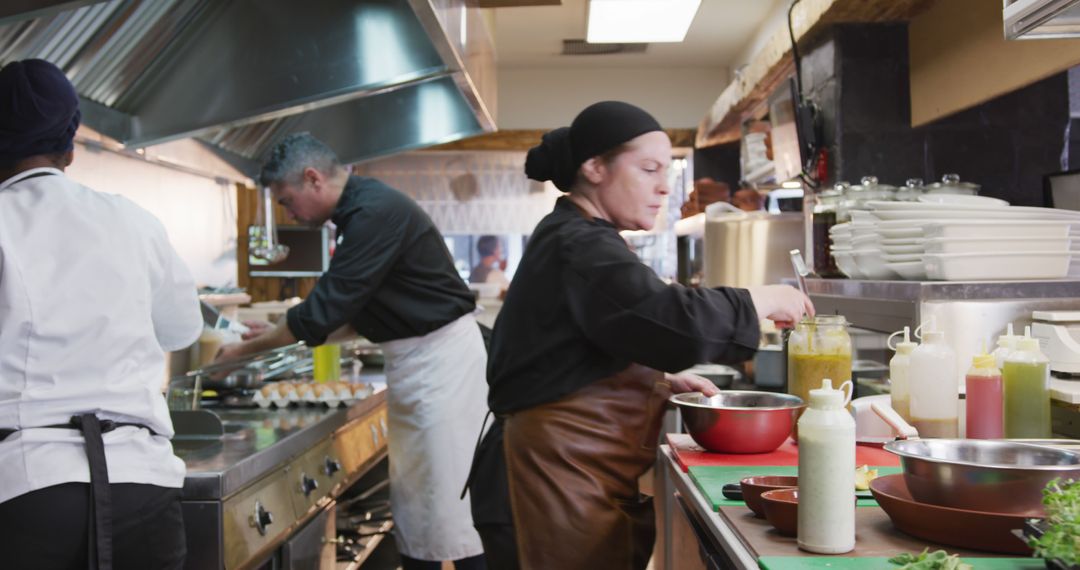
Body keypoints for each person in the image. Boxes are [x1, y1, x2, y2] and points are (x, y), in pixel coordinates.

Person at [466, 101, 813, 570]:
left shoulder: (584, 236)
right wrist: (759, 299)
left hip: (568, 474)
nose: (664, 186)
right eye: (648, 169)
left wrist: (651, 381)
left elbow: (578, 348)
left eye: (665, 171)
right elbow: (669, 319)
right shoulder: (579, 243)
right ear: (594, 168)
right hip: (550, 479)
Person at [216, 134, 488, 570]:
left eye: (287, 201)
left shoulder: (374, 213)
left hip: (442, 366)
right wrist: (270, 332)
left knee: (448, 511)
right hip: (418, 364)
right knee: (420, 510)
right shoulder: (359, 213)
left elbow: (322, 311)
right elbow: (357, 315)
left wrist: (246, 350)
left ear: (313, 178)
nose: (290, 212)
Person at [0, 59, 203, 569]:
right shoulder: (133, 220)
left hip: (30, 488)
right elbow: (183, 328)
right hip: (142, 484)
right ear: (70, 147)